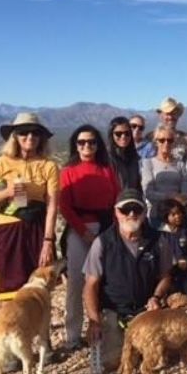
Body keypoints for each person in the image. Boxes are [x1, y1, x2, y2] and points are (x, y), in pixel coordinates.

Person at [83, 189, 173, 371]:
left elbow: (165, 277)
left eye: (136, 209)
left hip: (146, 311)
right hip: (114, 311)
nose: (131, 214)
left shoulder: (159, 240)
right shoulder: (102, 243)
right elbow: (91, 285)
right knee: (113, 364)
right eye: (125, 209)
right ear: (116, 212)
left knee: (155, 362)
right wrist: (94, 320)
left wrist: (156, 297)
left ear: (144, 212)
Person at [0, 113, 59, 301]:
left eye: (35, 133)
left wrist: (48, 240)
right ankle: (11, 327)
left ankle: (38, 329)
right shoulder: (1, 163)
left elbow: (52, 206)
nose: (30, 137)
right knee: (10, 288)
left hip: (38, 229)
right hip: (8, 228)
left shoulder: (49, 166)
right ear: (15, 136)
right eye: (24, 133)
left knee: (40, 288)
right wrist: (6, 193)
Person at [59, 124, 120, 350]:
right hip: (78, 230)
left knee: (104, 279)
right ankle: (72, 335)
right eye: (82, 142)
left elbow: (116, 200)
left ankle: (102, 329)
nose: (87, 146)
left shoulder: (106, 169)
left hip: (106, 228)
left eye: (92, 142)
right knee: (76, 281)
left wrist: (114, 230)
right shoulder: (67, 171)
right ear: (75, 145)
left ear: (98, 144)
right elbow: (64, 206)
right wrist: (82, 231)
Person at [141, 126, 187, 226]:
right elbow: (148, 192)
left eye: (169, 140)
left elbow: (185, 192)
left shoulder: (180, 164)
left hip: (177, 216)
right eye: (162, 140)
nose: (166, 143)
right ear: (156, 142)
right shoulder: (148, 163)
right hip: (157, 215)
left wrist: (180, 200)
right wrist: (171, 196)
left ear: (174, 142)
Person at [157, 198, 187, 297]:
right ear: (165, 216)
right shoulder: (160, 234)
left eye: (179, 213)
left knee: (186, 297)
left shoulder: (186, 232)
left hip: (185, 273)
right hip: (167, 274)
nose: (178, 216)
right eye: (173, 214)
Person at [107, 116, 142, 191]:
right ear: (111, 135)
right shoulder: (107, 158)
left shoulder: (135, 158)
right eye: (118, 134)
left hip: (133, 199)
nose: (123, 136)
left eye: (127, 133)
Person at [156, 97, 187, 163]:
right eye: (167, 114)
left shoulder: (186, 139)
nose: (170, 117)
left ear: (178, 115)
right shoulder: (151, 137)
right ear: (161, 115)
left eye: (173, 113)